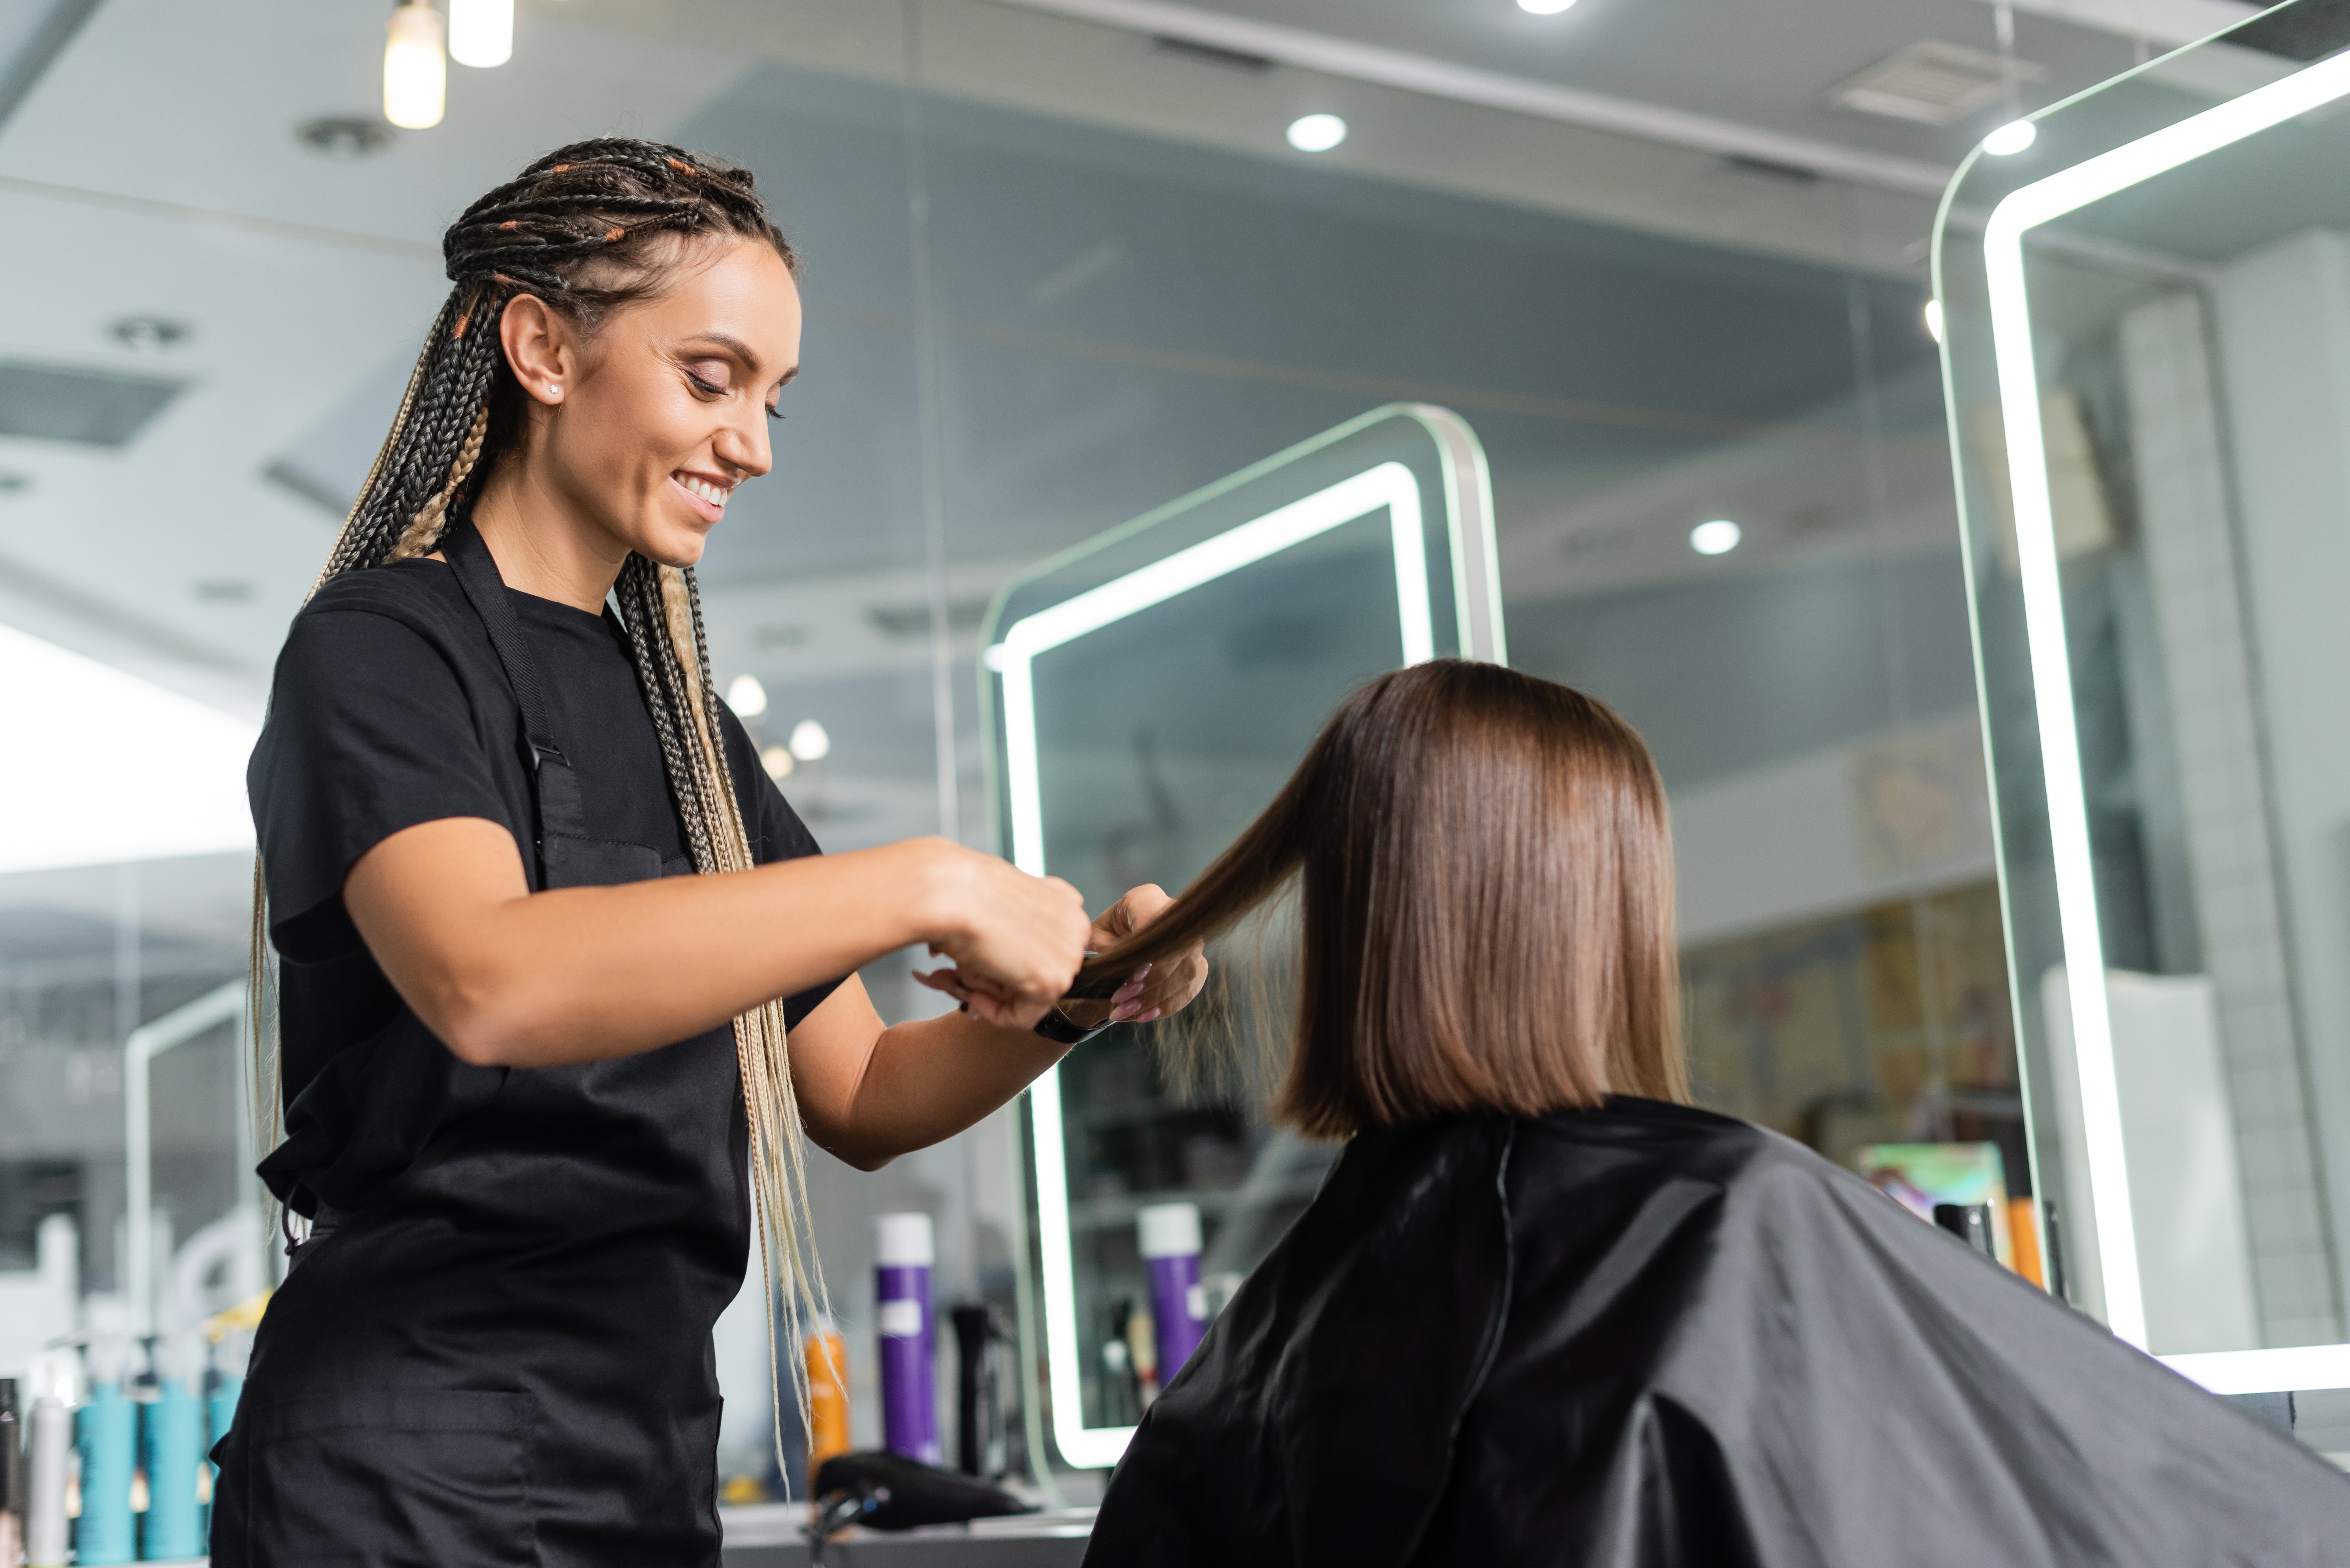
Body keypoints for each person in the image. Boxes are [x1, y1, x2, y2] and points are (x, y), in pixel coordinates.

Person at [215, 139, 1203, 1567]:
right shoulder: (380, 649)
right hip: (402, 1467)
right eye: (711, 377)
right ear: (544, 348)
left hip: (646, 1462)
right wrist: (929, 879)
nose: (753, 444)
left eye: (771, 398)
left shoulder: (691, 738)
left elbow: (859, 1087)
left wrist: (1075, 999)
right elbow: (491, 979)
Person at [1079, 659, 2350, 1567]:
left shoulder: (1276, 1323)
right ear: (1601, 916)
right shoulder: (1731, 1212)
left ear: (1359, 924)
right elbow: (2202, 1507)